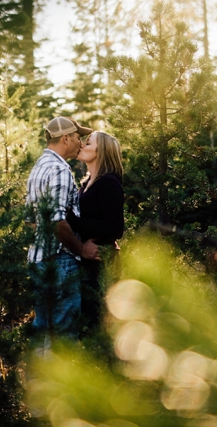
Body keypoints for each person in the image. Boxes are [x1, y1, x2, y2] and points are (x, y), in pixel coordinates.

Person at [26, 116, 99, 339]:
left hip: (39, 258)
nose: (81, 143)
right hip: (59, 262)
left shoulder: (39, 167)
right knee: (64, 333)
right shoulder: (60, 170)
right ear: (65, 138)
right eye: (78, 138)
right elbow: (56, 222)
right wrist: (81, 249)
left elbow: (32, 219)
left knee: (44, 329)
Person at [67, 130, 124, 334]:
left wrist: (73, 222)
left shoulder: (108, 182)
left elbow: (116, 227)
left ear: (102, 152)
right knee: (89, 319)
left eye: (88, 143)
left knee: (100, 323)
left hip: (102, 261)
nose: (82, 145)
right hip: (90, 260)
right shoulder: (88, 183)